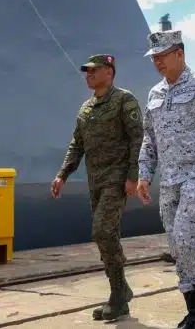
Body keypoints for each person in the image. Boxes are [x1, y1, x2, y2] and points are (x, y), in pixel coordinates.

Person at [137, 30, 195, 329]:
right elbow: (149, 138)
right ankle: (193, 311)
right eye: (154, 58)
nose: (157, 62)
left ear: (180, 53)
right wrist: (144, 174)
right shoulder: (155, 94)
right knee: (176, 245)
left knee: (186, 236)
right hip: (169, 180)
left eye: (162, 56)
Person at [51, 54, 143, 321]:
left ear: (109, 72)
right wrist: (62, 175)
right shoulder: (86, 108)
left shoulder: (124, 100)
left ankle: (118, 294)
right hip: (96, 181)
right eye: (87, 71)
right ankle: (121, 290)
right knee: (106, 234)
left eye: (94, 70)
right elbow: (76, 145)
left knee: (102, 231)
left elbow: (138, 137)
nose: (88, 74)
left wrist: (133, 175)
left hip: (117, 178)